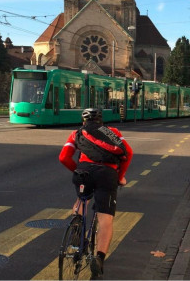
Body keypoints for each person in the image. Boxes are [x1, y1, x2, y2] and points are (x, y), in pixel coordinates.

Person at [59, 108, 133, 279]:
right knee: (105, 218)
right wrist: (120, 177)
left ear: (83, 121)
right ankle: (99, 258)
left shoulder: (76, 133)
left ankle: (77, 228)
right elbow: (128, 153)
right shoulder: (112, 132)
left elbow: (63, 157)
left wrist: (76, 170)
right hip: (106, 174)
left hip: (83, 172)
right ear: (101, 121)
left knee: (81, 200)